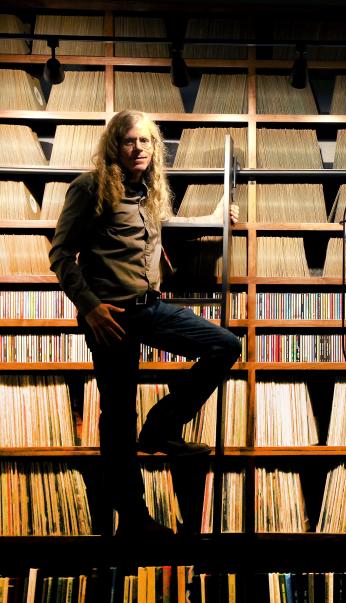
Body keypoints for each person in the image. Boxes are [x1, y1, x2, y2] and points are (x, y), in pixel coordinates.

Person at [49, 110, 241, 537]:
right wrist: (91, 309)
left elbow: (165, 228)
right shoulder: (89, 190)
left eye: (146, 142)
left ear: (155, 149)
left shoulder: (150, 194)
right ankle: (132, 520)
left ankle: (160, 427)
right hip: (111, 317)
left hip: (150, 308)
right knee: (117, 418)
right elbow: (61, 256)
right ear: (113, 146)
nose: (138, 149)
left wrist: (214, 217)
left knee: (225, 345)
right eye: (129, 141)